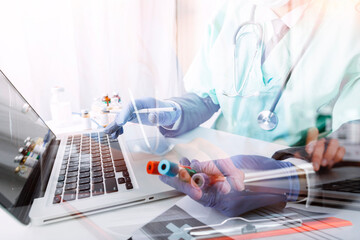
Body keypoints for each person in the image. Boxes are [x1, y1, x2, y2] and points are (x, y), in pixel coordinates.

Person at [105, 0, 360, 216]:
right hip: (211, 167)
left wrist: (284, 178)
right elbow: (210, 94)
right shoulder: (231, 13)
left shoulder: (349, 26)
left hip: (304, 194)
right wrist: (174, 110)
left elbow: (354, 136)